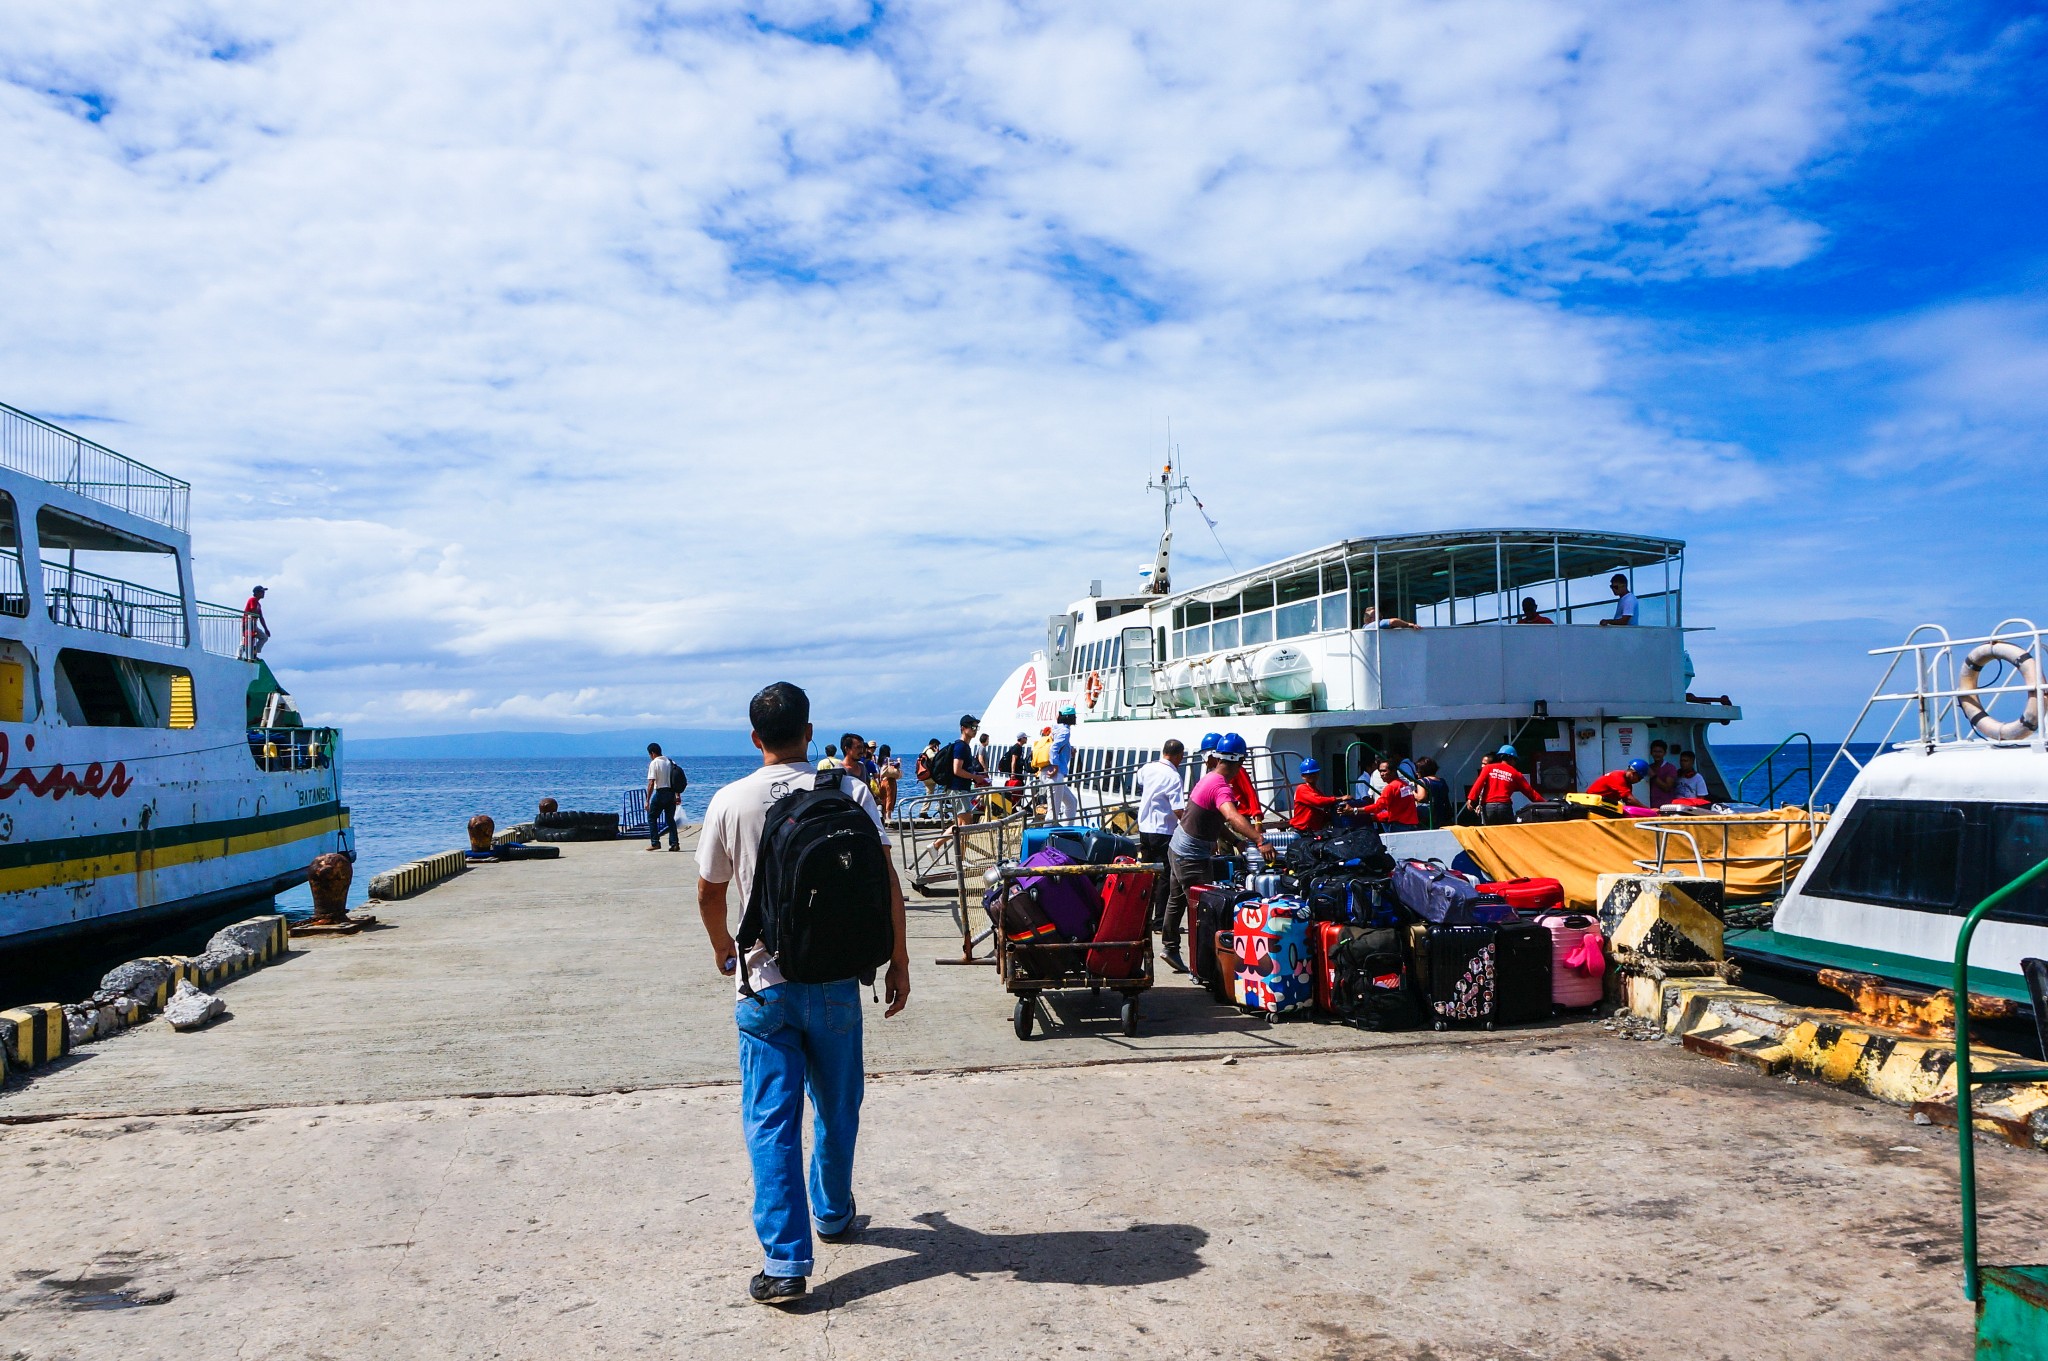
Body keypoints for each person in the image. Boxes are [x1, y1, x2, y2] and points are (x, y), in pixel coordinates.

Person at [695, 681, 910, 1306]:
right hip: (838, 980)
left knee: (771, 1121)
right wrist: (898, 960)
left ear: (756, 738)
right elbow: (885, 879)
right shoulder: (851, 790)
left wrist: (723, 947)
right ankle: (834, 1213)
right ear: (810, 732)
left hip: (763, 986)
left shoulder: (730, 801)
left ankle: (786, 1263)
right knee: (839, 1108)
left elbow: (710, 893)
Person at [1163, 735, 1268, 973]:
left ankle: (1170, 947)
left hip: (1177, 847)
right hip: (1191, 856)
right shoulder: (1220, 786)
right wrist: (1259, 839)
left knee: (1177, 899)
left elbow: (1215, 820)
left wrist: (1235, 841)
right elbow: (1231, 816)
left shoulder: (1208, 779)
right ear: (1239, 762)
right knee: (1203, 909)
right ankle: (1202, 965)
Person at [1133, 740, 1188, 931]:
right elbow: (1178, 808)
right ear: (1177, 755)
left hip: (1144, 828)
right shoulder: (1173, 776)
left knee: (1146, 875)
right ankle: (1160, 922)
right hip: (1163, 830)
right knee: (1165, 878)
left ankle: (1140, 918)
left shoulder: (1147, 768)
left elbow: (1139, 779)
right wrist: (1189, 826)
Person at [1466, 745, 1539, 825]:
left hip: (1488, 807)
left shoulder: (1488, 768)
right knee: (1506, 834)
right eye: (1515, 760)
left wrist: (1471, 799)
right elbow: (1530, 793)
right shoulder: (1515, 773)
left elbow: (1478, 784)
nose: (1515, 763)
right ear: (1511, 758)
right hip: (1504, 807)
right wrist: (1546, 804)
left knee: (1490, 834)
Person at [942, 715, 988, 825]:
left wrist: (975, 776)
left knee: (961, 824)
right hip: (957, 788)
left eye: (976, 728)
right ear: (963, 728)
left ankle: (936, 843)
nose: (975, 730)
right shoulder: (961, 746)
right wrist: (975, 777)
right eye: (972, 727)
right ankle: (958, 843)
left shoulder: (966, 746)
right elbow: (957, 770)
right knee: (966, 822)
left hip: (962, 788)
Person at [1287, 758, 1350, 833]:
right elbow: (1319, 801)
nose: (1312, 776)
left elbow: (1322, 808)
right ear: (1303, 776)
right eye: (1308, 774)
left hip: (1313, 832)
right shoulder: (1301, 789)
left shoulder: (1318, 792)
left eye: (1314, 773)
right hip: (1301, 831)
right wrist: (1340, 798)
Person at [645, 742, 685, 852]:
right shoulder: (670, 762)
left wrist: (647, 800)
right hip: (671, 793)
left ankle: (655, 842)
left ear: (652, 753)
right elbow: (675, 780)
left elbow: (651, 783)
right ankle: (674, 844)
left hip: (660, 793)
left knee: (652, 818)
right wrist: (678, 795)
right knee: (670, 819)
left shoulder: (654, 763)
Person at [1356, 761, 1420, 828]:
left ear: (1393, 771)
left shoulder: (1391, 788)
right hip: (1411, 825)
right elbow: (1399, 810)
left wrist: (1355, 810)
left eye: (1384, 771)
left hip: (1399, 826)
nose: (1381, 774)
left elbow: (1378, 807)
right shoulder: (1404, 785)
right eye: (1380, 771)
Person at [1047, 707, 1078, 821]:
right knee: (1054, 810)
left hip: (1054, 773)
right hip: (1056, 773)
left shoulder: (1056, 729)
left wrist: (1070, 750)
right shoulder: (1065, 731)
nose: (1075, 718)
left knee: (1072, 802)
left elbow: (1059, 748)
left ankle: (1066, 830)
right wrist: (1055, 766)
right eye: (1074, 716)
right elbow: (1053, 748)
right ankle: (1047, 835)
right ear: (1068, 717)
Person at [1413, 756, 1454, 829]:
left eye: (1417, 770)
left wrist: (1412, 792)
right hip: (1443, 812)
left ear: (1422, 770)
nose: (1416, 772)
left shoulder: (1422, 781)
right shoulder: (1441, 780)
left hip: (1430, 815)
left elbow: (1421, 798)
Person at [240, 585, 271, 661]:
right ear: (256, 593)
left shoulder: (258, 604)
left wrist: (266, 629)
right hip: (248, 623)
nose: (263, 593)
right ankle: (246, 655)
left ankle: (254, 652)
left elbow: (261, 617)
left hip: (253, 624)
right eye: (261, 592)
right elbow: (253, 611)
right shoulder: (252, 600)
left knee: (264, 637)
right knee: (249, 639)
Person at [1644, 739, 1679, 805]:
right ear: (1651, 753)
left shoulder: (1670, 768)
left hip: (1667, 805)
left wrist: (1653, 775)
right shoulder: (1649, 767)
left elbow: (1667, 788)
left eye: (1660, 752)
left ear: (1665, 753)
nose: (1657, 754)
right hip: (1651, 805)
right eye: (1655, 751)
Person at [875, 744, 901, 819]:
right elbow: (896, 765)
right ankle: (888, 817)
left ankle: (883, 816)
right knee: (890, 798)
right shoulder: (888, 759)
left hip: (882, 781)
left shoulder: (879, 760)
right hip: (890, 781)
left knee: (883, 798)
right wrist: (898, 761)